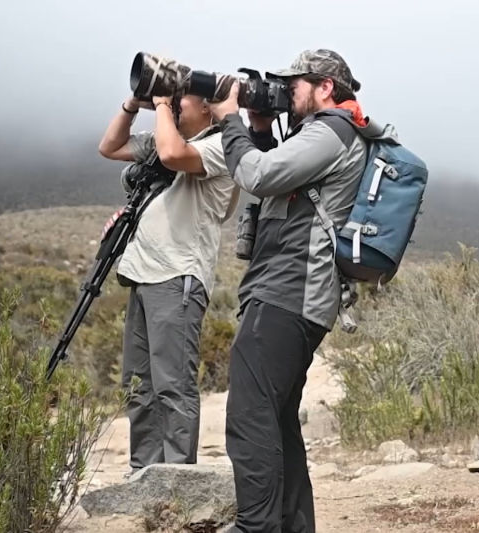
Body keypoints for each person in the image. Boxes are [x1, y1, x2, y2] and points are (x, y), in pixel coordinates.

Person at [208, 49, 372, 532]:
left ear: (325, 87)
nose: (286, 91)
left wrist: (230, 121)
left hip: (290, 293)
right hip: (291, 294)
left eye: (294, 82)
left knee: (249, 415)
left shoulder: (332, 131)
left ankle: (255, 526)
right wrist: (258, 128)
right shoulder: (318, 134)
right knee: (276, 420)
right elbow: (272, 175)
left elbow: (257, 174)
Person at [98, 92, 237, 473]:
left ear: (209, 106)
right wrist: (132, 104)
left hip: (178, 278)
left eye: (183, 99)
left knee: (172, 385)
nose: (174, 104)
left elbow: (173, 156)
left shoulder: (221, 146)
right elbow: (109, 147)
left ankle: (177, 480)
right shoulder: (166, 140)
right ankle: (145, 474)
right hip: (143, 275)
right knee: (138, 386)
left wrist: (160, 105)